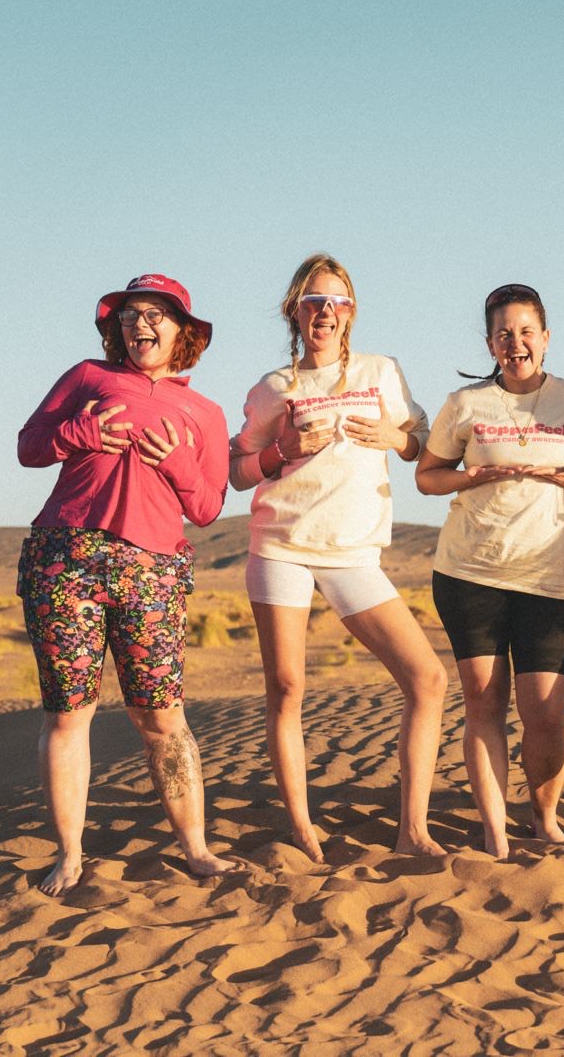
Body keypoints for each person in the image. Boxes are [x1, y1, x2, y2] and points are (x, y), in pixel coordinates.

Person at [17, 273, 236, 896]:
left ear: (183, 333)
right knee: (68, 715)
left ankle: (195, 848)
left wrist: (176, 462)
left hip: (152, 569)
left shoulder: (206, 413)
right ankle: (69, 854)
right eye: (131, 314)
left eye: (157, 315)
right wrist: (78, 433)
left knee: (164, 719)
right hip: (67, 557)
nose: (141, 324)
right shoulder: (88, 377)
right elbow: (29, 447)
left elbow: (208, 506)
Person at [229, 253, 447, 863]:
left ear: (351, 313)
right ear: (294, 312)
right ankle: (301, 827)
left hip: (354, 554)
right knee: (288, 687)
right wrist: (279, 450)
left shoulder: (381, 371)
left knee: (427, 679)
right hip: (281, 548)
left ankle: (413, 831)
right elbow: (235, 471)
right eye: (313, 301)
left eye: (337, 301)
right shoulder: (274, 388)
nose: (325, 311)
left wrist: (398, 439)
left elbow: (425, 444)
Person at [416, 284, 564, 857]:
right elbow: (428, 477)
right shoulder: (465, 404)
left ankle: (544, 817)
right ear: (490, 343)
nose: (515, 342)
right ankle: (494, 828)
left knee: (544, 711)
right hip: (469, 572)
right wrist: (467, 478)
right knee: (483, 702)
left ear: (546, 339)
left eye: (526, 331)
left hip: (550, 577)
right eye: (503, 333)